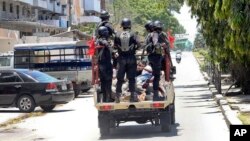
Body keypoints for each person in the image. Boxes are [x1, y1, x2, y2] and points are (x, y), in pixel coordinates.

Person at [114, 18, 141, 103]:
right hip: (131, 58)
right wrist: (135, 49)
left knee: (120, 79)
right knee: (131, 78)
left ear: (122, 25)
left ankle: (117, 97)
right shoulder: (133, 34)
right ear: (129, 25)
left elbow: (115, 46)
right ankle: (132, 96)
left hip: (121, 58)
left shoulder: (117, 34)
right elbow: (139, 44)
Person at [146, 20, 170, 101]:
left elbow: (146, 46)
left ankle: (155, 93)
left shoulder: (149, 35)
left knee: (155, 74)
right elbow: (167, 44)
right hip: (157, 57)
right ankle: (156, 96)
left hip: (150, 58)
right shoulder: (162, 34)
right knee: (157, 76)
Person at [95, 26, 113, 102]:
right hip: (105, 64)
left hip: (102, 64)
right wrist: (112, 49)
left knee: (103, 81)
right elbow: (106, 44)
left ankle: (105, 98)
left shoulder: (98, 40)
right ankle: (108, 98)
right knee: (108, 80)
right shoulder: (102, 40)